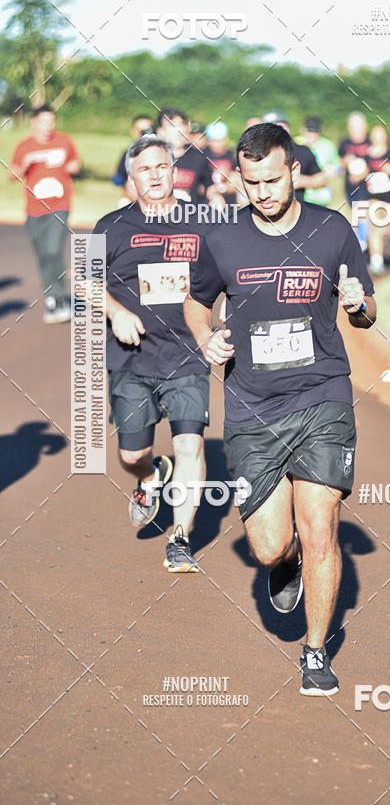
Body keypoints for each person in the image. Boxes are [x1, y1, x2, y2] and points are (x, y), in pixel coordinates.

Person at [184, 122, 376, 696]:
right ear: (238, 178)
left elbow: (366, 313)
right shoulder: (224, 239)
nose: (263, 192)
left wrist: (358, 303)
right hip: (251, 407)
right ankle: (284, 563)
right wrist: (206, 339)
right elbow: (196, 301)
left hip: (322, 396)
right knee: (270, 545)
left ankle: (315, 652)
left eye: (272, 179)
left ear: (294, 170)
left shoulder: (331, 229)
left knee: (320, 528)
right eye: (251, 183)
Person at [92, 134, 211, 572]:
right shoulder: (111, 226)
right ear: (132, 177)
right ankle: (148, 475)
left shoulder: (204, 223)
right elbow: (84, 280)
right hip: (132, 357)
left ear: (174, 171)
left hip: (186, 354)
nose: (155, 175)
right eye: (145, 169)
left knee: (189, 445)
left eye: (162, 166)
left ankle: (180, 538)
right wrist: (116, 310)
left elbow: (234, 272)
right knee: (130, 455)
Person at [9, 104, 81, 323]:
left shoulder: (64, 140)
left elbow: (76, 164)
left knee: (52, 249)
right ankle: (51, 297)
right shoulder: (24, 146)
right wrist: (24, 165)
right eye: (44, 121)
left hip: (60, 204)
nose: (49, 126)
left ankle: (58, 298)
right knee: (43, 253)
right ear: (34, 122)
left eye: (52, 121)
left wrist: (71, 167)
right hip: (34, 208)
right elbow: (13, 175)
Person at [261, 110, 326, 204]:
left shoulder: (303, 151)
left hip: (298, 209)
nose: (278, 131)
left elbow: (322, 179)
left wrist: (301, 181)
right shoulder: (258, 153)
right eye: (272, 128)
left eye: (282, 127)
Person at [156, 107, 212, 203]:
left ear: (187, 129)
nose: (178, 131)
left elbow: (210, 186)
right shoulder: (152, 157)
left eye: (181, 125)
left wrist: (215, 196)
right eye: (172, 125)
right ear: (160, 131)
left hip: (190, 213)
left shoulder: (198, 157)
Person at [364, 124, 390, 273]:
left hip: (389, 195)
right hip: (372, 195)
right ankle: (376, 260)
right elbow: (359, 172)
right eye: (375, 134)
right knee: (375, 226)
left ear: (385, 136)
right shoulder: (366, 155)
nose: (377, 137)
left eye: (380, 134)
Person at [338, 112, 372, 253]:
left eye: (359, 126)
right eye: (353, 126)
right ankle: (361, 242)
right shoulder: (345, 143)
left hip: (368, 185)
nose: (356, 129)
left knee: (365, 213)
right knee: (355, 213)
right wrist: (344, 163)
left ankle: (365, 242)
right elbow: (339, 163)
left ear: (365, 126)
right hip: (351, 185)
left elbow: (377, 162)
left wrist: (364, 173)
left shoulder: (371, 142)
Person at [300, 116, 342, 208]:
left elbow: (338, 167)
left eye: (314, 131)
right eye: (309, 131)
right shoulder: (298, 143)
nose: (312, 134)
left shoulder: (328, 145)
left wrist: (331, 172)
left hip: (322, 196)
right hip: (302, 196)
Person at [112, 115, 154, 204]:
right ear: (133, 132)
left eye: (147, 130)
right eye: (139, 130)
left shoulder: (163, 153)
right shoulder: (128, 154)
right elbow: (119, 178)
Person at [204, 120, 239, 208]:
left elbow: (237, 180)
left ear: (226, 139)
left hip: (230, 203)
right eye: (214, 141)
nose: (217, 144)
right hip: (206, 203)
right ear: (208, 140)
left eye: (220, 140)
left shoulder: (233, 156)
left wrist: (219, 189)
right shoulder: (202, 155)